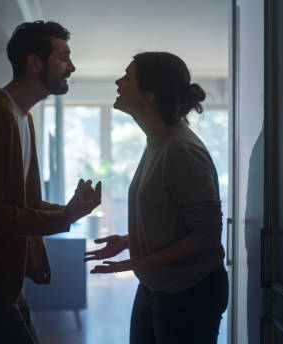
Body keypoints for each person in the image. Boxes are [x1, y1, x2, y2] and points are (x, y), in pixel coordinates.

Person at [0, 21, 101, 344]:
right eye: (63, 57)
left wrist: (72, 209)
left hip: (3, 278)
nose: (71, 67)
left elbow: (24, 203)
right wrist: (66, 216)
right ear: (35, 63)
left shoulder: (22, 116)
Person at [85, 52, 227, 343]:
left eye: (127, 77)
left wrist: (135, 262)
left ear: (149, 96)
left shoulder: (182, 150)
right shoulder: (158, 142)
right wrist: (129, 242)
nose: (118, 81)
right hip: (157, 286)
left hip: (190, 293)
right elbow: (172, 218)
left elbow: (206, 236)